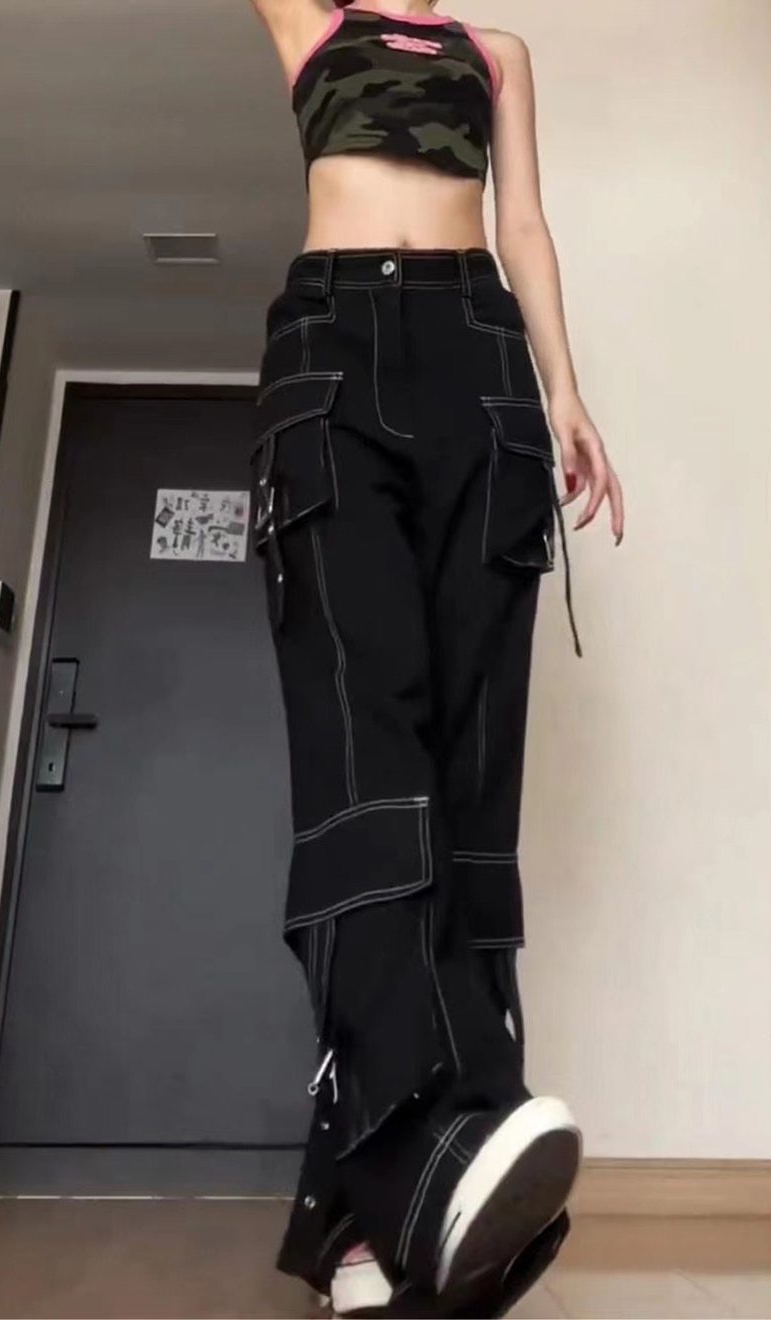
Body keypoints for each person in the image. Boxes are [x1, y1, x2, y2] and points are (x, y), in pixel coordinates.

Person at [248, 1, 624, 1315]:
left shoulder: (496, 54)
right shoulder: (310, 24)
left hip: (482, 361)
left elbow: (524, 225)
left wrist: (563, 390)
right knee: (369, 760)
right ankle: (437, 1160)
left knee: (468, 779)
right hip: (333, 351)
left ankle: (370, 1218)